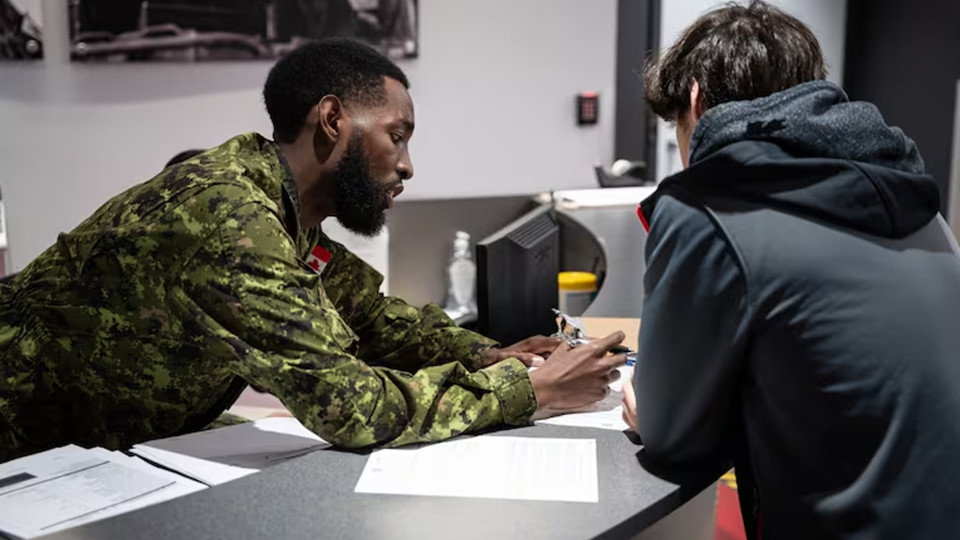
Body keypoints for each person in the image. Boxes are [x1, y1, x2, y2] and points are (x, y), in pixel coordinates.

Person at [0, 38, 626, 462]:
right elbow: (352, 406)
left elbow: (373, 320)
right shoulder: (229, 218)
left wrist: (491, 354)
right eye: (397, 136)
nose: (407, 166)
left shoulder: (282, 215)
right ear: (332, 121)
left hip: (120, 445)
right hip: (31, 454)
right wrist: (534, 392)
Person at [619, 2, 960, 539]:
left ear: (694, 100)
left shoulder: (707, 204)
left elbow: (670, 432)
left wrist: (647, 401)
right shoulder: (908, 186)